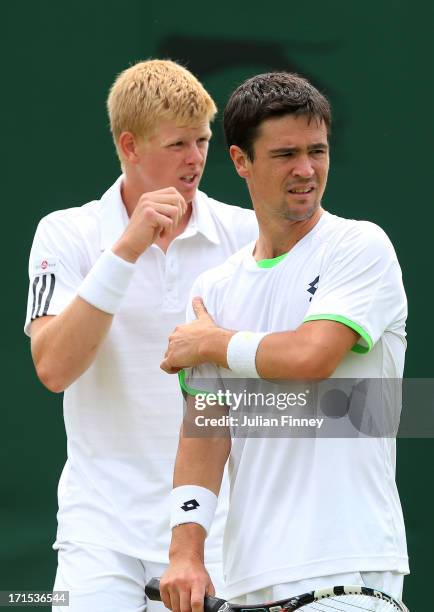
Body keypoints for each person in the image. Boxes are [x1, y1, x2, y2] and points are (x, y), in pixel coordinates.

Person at [159, 72, 409, 610]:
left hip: (349, 574)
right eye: (285, 154)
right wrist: (186, 552)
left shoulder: (359, 246)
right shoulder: (215, 289)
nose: (306, 169)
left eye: (317, 151)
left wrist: (212, 344)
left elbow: (311, 356)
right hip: (249, 583)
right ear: (241, 161)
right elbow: (206, 432)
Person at [24, 59, 257, 611]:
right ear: (129, 146)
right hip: (99, 535)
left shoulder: (247, 235)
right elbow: (53, 369)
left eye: (201, 140)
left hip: (216, 536)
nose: (196, 158)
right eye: (177, 144)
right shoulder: (67, 232)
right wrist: (125, 249)